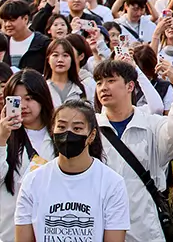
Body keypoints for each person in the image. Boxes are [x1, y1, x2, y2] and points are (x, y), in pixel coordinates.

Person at [93, 57, 173, 242]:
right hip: (101, 225)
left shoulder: (152, 125)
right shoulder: (91, 128)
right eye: (99, 83)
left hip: (145, 228)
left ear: (130, 86)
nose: (103, 88)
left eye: (111, 80)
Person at [15, 99, 130, 242]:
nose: (68, 133)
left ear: (91, 135)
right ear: (52, 130)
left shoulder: (112, 183)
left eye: (77, 128)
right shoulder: (33, 181)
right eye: (61, 127)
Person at [0, 70, 55, 242]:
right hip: (10, 230)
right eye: (16, 100)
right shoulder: (4, 135)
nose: (23, 106)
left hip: (51, 227)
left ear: (42, 98)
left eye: (29, 98)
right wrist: (2, 139)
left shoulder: (59, 134)